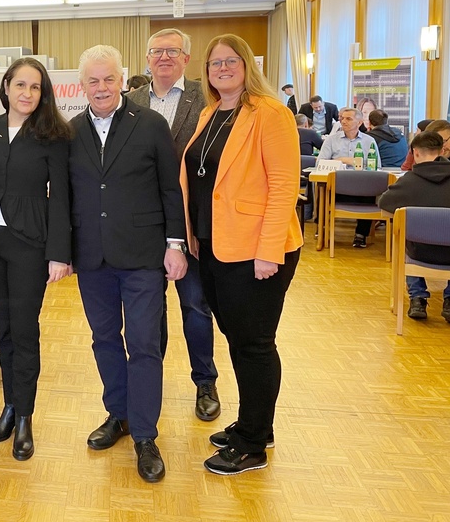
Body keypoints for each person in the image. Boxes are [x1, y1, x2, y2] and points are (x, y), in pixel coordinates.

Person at [181, 33, 302, 475]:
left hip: (257, 252)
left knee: (253, 345)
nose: (223, 68)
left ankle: (252, 443)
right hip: (215, 247)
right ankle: (255, 423)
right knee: (239, 340)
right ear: (207, 72)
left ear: (247, 65)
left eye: (232, 61)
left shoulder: (270, 113)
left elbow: (285, 186)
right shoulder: (212, 112)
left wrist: (268, 251)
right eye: (215, 63)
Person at [69, 45, 186, 483]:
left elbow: (171, 191)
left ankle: (144, 434)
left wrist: (175, 245)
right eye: (93, 81)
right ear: (82, 86)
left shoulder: (151, 124)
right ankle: (117, 414)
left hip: (142, 256)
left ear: (122, 80)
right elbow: (65, 197)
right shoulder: (71, 131)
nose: (101, 88)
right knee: (104, 339)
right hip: (92, 257)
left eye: (108, 79)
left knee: (143, 343)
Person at [0, 57, 72, 461]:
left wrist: (59, 254)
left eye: (35, 87)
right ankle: (9, 408)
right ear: (6, 86)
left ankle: (25, 416)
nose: (26, 93)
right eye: (20, 85)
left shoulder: (54, 134)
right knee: (4, 330)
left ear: (42, 94)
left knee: (25, 332)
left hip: (30, 242)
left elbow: (61, 197)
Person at [126, 27, 221, 423]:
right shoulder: (127, 101)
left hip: (190, 222)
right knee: (149, 312)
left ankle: (205, 382)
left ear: (186, 58)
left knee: (195, 306)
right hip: (141, 225)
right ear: (146, 59)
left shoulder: (207, 99)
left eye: (172, 51)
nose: (163, 57)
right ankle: (151, 385)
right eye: (156, 51)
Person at [378, 131, 450, 325]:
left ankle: (418, 298)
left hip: (421, 254)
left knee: (408, 237)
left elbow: (384, 203)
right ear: (443, 151)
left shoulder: (408, 181)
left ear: (415, 153)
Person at [317, 107, 380, 248]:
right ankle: (322, 229)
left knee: (369, 191)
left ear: (359, 123)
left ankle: (361, 234)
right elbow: (320, 163)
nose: (343, 122)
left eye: (348, 119)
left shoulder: (369, 141)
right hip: (337, 187)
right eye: (342, 118)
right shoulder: (331, 140)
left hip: (363, 188)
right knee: (322, 190)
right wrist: (343, 160)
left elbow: (377, 167)